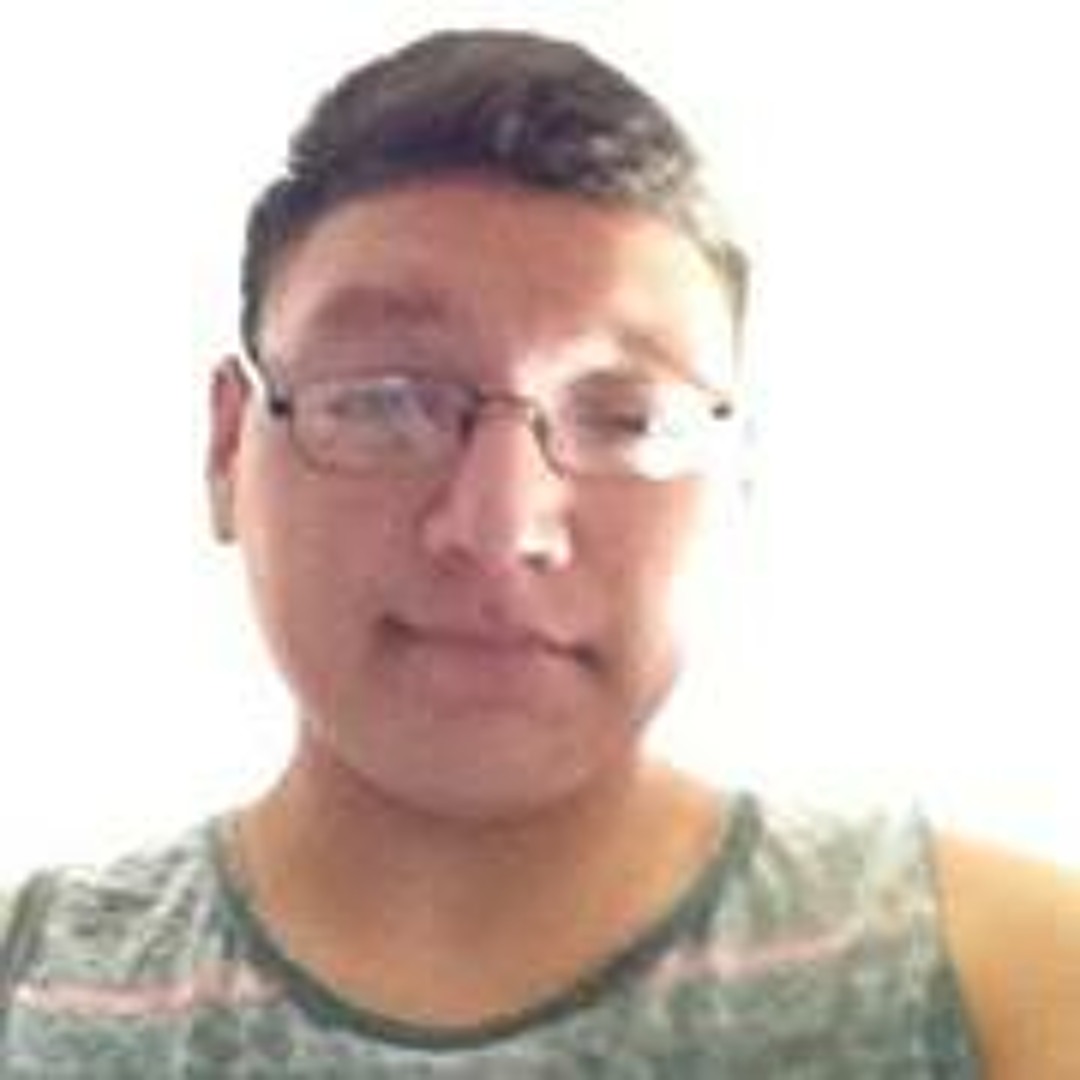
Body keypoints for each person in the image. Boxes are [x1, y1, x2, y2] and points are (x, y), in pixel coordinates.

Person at [1, 27, 1077, 1078]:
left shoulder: (1008, 981)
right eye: (384, 401)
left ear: (738, 476)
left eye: (627, 418)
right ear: (228, 447)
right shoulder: (34, 990)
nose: (501, 525)